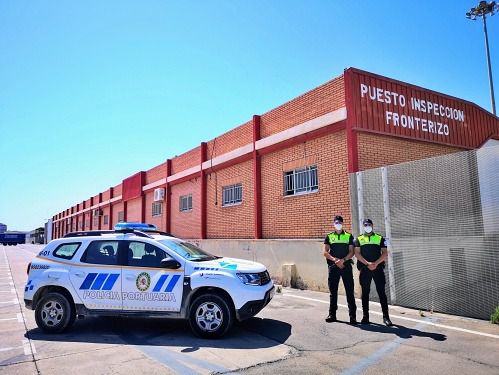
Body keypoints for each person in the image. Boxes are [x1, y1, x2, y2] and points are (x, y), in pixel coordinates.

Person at [354, 218, 392, 326]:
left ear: (372, 225)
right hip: (365, 269)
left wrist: (375, 263)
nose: (367, 226)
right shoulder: (359, 239)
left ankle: (386, 318)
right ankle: (365, 317)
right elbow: (357, 253)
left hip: (378, 269)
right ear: (363, 226)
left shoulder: (380, 238)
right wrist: (367, 264)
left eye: (369, 224)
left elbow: (385, 253)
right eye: (365, 225)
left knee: (382, 293)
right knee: (365, 293)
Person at [323, 215, 357, 324]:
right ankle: (332, 314)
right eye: (336, 222)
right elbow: (325, 252)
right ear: (333, 223)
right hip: (333, 267)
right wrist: (335, 260)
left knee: (349, 292)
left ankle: (353, 317)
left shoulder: (348, 236)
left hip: (346, 266)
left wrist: (343, 260)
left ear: (342, 223)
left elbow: (352, 251)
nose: (338, 224)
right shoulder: (329, 236)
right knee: (333, 292)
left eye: (339, 222)